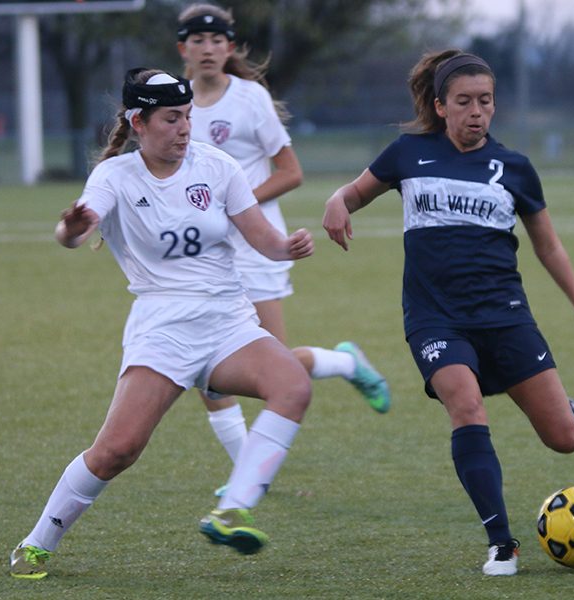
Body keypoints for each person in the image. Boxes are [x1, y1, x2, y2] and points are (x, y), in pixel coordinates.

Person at [322, 50, 574, 577]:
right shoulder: (407, 154)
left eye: (485, 101)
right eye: (464, 102)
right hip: (434, 318)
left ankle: (571, 413)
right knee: (465, 405)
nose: (476, 112)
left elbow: (549, 247)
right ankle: (501, 543)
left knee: (563, 441)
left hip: (505, 316)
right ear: (441, 106)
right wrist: (336, 201)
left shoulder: (515, 168)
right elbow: (352, 194)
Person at [9, 68, 315, 579]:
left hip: (226, 318)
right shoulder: (115, 177)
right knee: (116, 451)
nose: (184, 128)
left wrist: (287, 247)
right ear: (138, 122)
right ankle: (37, 543)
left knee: (294, 387)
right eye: (171, 118)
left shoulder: (217, 166)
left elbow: (261, 237)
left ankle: (232, 508)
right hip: (163, 325)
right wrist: (71, 227)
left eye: (188, 116)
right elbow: (73, 233)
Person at [175, 3, 391, 490]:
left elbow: (291, 171)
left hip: (258, 246)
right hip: (204, 255)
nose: (207, 49)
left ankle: (346, 362)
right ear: (182, 48)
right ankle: (247, 476)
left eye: (217, 40)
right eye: (197, 40)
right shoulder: (175, 103)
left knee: (274, 362)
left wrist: (237, 205)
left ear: (229, 48)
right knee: (201, 366)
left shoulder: (250, 99)